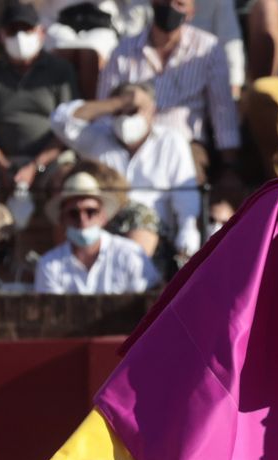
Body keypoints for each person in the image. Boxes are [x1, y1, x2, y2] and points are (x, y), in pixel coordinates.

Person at [0, 2, 79, 274]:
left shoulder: (61, 72)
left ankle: (65, 265)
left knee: (69, 185)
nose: (20, 37)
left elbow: (68, 133)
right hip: (1, 159)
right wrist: (3, 165)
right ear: (1, 35)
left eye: (27, 29)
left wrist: (35, 166)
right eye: (13, 30)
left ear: (41, 33)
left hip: (49, 158)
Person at [49, 81, 203, 260]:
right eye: (119, 112)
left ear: (152, 110)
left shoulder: (171, 141)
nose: (125, 118)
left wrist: (187, 245)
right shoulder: (98, 137)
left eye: (133, 110)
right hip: (101, 227)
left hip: (154, 235)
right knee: (72, 209)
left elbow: (187, 201)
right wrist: (118, 102)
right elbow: (60, 120)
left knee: (137, 217)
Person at [97, 0, 240, 187]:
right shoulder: (123, 50)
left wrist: (229, 166)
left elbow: (223, 113)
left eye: (179, 3)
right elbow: (104, 109)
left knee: (187, 188)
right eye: (165, 1)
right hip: (128, 142)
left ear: (191, 12)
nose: (171, 8)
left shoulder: (208, 49)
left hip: (186, 144)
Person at [34, 166, 162, 292]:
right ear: (62, 219)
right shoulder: (48, 264)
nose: (82, 220)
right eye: (73, 213)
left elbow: (148, 305)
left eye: (91, 211)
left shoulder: (130, 254)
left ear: (103, 216)